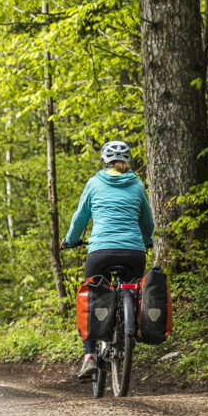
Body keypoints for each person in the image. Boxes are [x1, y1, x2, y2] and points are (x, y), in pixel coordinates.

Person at [60, 140, 155, 379]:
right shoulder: (137, 185)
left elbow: (80, 219)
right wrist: (146, 240)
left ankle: (89, 356)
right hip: (134, 252)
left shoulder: (94, 183)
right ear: (127, 161)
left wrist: (70, 240)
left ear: (104, 161)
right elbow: (147, 223)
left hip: (100, 251)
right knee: (133, 290)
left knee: (90, 295)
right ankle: (128, 330)